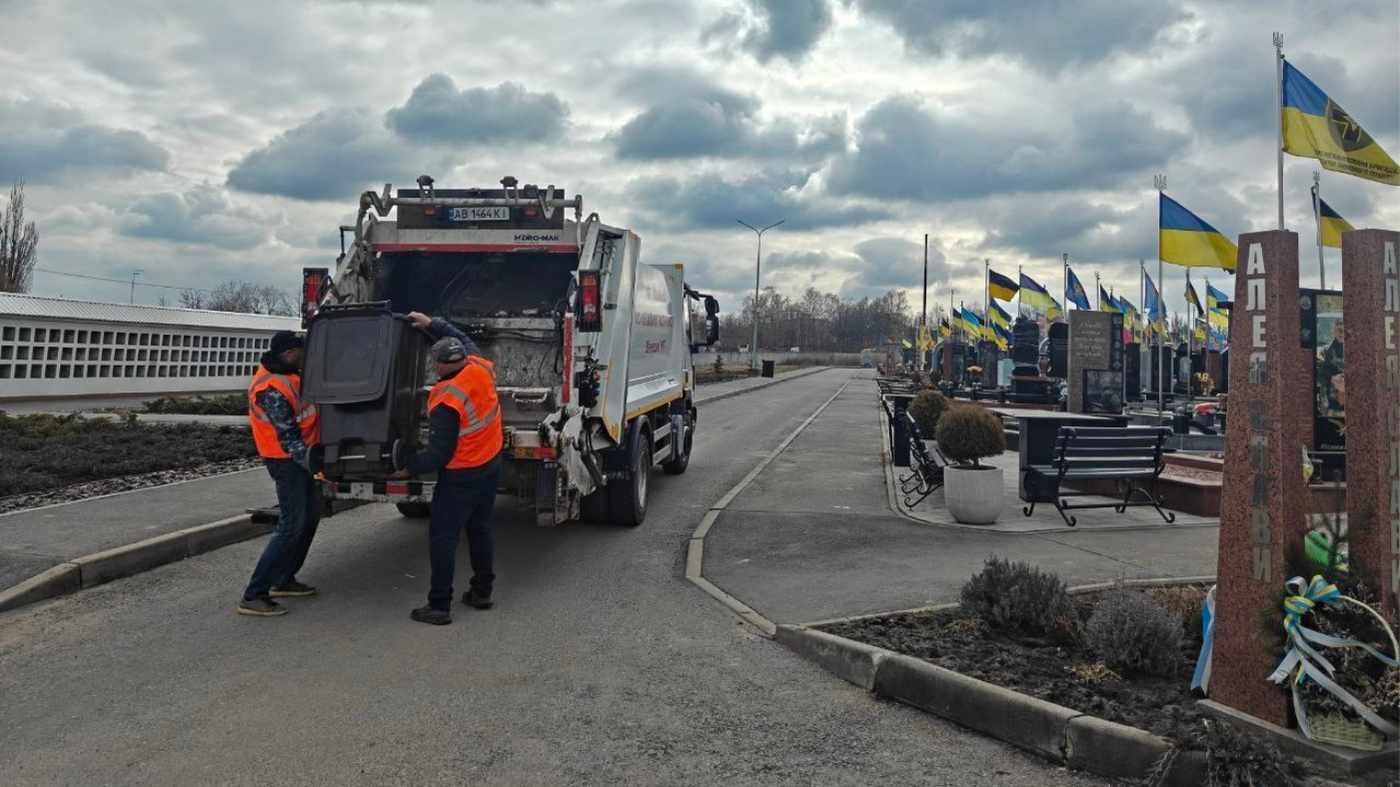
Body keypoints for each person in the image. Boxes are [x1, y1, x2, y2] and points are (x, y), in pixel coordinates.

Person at [393, 311, 503, 626]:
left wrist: (408, 467)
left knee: (443, 538)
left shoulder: (446, 401)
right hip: (490, 465)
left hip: (461, 476)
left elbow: (438, 456)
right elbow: (467, 341)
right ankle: (482, 592)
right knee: (480, 530)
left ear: (438, 365)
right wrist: (433, 324)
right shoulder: (479, 368)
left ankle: (439, 605)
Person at [238, 330, 322, 617]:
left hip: (300, 459)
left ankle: (284, 579)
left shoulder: (290, 374)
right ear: (289, 354)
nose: (304, 355)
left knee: (309, 517)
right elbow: (289, 437)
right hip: (287, 462)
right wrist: (318, 465)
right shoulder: (271, 387)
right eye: (300, 351)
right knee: (290, 525)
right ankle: (254, 594)